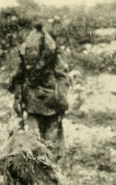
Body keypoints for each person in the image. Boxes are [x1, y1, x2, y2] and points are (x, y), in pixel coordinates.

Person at [9, 24, 70, 160]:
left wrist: (62, 100)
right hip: (42, 102)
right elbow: (19, 77)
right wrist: (18, 99)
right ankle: (43, 165)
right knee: (40, 143)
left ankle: (45, 165)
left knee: (42, 143)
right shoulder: (48, 52)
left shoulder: (45, 52)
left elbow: (18, 77)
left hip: (42, 102)